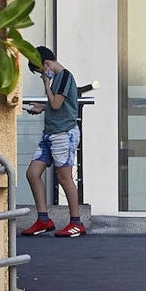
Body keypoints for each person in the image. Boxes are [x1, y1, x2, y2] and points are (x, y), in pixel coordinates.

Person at [21, 47, 86, 237]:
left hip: (63, 134)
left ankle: (76, 222)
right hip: (50, 134)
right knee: (33, 173)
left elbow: (57, 104)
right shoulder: (59, 79)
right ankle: (43, 220)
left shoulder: (64, 77)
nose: (43, 74)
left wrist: (46, 84)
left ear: (47, 64)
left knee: (64, 177)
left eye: (41, 70)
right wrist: (41, 108)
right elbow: (56, 105)